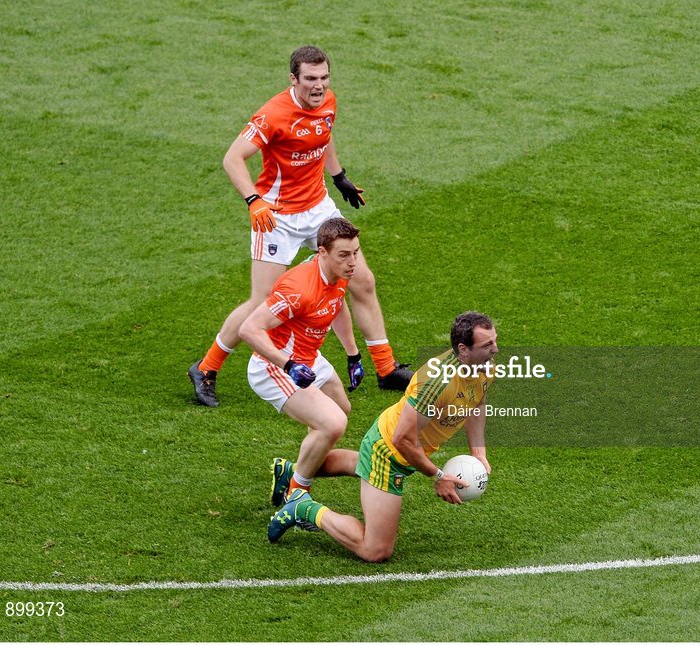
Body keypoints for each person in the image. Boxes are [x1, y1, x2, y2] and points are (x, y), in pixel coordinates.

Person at [189, 45, 413, 407]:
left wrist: (338, 176)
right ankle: (207, 367)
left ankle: (385, 369)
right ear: (293, 79)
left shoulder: (328, 101)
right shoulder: (274, 113)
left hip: (317, 207)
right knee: (262, 302)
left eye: (324, 78)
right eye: (310, 79)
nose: (319, 86)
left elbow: (323, 135)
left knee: (363, 280)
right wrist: (253, 200)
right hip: (275, 216)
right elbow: (232, 159)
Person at [266, 311, 499, 562]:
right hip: (389, 453)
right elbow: (402, 440)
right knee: (376, 550)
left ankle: (291, 472)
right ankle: (303, 508)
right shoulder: (436, 383)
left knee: (359, 464)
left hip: (396, 446)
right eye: (487, 345)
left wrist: (479, 453)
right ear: (463, 349)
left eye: (495, 341)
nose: (495, 350)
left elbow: (477, 404)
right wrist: (438, 476)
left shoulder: (484, 368)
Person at [240, 218, 367, 527]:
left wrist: (353, 354)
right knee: (332, 424)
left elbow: (337, 306)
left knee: (341, 410)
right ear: (321, 252)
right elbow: (249, 329)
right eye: (344, 255)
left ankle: (290, 473)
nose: (352, 263)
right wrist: (288, 365)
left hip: (309, 359)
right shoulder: (297, 288)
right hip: (275, 365)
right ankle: (297, 496)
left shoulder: (338, 273)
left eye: (355, 253)